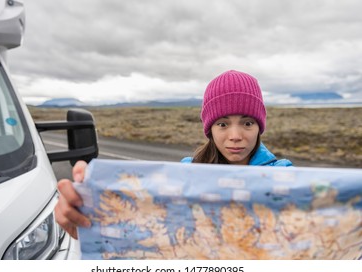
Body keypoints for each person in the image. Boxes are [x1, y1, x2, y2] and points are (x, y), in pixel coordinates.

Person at [55, 70, 292, 239]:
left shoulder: (286, 177)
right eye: (222, 124)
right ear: (209, 128)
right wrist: (93, 223)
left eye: (248, 123)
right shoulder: (183, 175)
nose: (235, 135)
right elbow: (150, 226)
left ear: (259, 126)